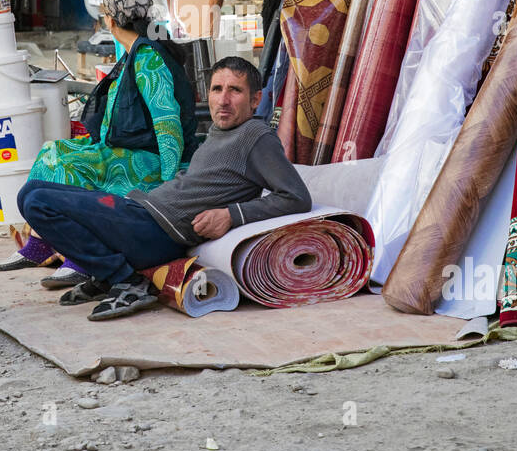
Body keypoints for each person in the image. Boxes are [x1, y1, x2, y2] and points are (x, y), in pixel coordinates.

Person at [18, 56, 312, 320]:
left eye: (235, 90)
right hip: (135, 210)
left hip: (154, 231)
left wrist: (232, 215)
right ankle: (107, 274)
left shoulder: (255, 136)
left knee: (38, 201)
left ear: (255, 99)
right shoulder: (220, 132)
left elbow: (296, 197)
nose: (223, 100)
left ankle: (124, 279)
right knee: (32, 190)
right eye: (217, 89)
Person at [0, 0, 200, 289]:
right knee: (53, 151)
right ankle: (44, 243)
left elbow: (167, 125)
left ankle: (82, 257)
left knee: (67, 166)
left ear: (111, 19)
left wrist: (169, 185)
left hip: (153, 163)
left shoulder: (148, 58)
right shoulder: (134, 52)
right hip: (131, 153)